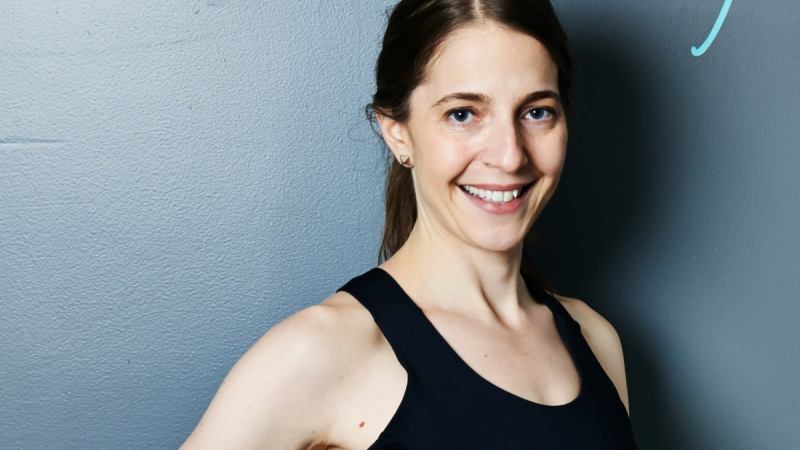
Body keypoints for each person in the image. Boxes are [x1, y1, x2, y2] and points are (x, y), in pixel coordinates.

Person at [181, 0, 639, 448]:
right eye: (463, 114)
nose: (509, 155)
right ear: (398, 133)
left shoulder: (596, 339)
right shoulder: (323, 349)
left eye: (537, 112)